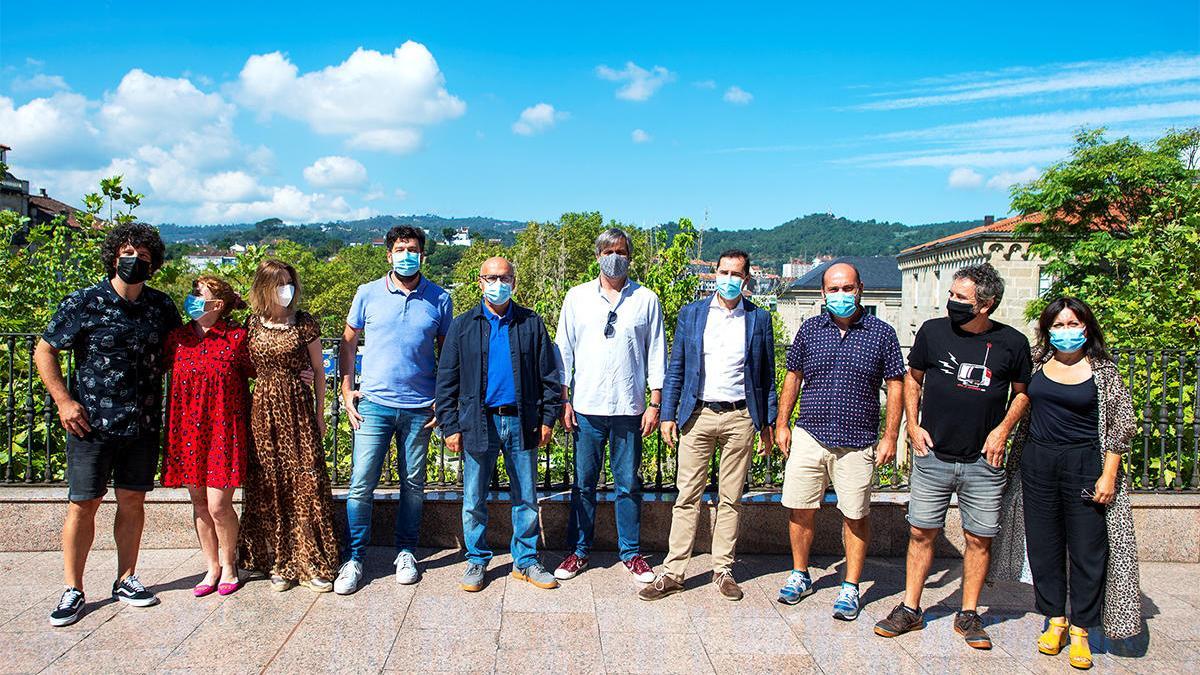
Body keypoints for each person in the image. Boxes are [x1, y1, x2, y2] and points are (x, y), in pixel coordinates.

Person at [874, 262, 1031, 650]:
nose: (952, 302)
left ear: (986, 304)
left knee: (978, 538)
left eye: (961, 298)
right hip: (933, 454)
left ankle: (969, 613)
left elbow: (1022, 393)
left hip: (984, 459)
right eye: (951, 294)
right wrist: (913, 425)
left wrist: (1002, 430)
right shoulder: (932, 332)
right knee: (920, 531)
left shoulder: (1012, 342)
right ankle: (910, 608)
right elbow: (913, 379)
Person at [36, 223, 181, 627]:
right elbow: (44, 350)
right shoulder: (85, 302)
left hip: (143, 423)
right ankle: (73, 588)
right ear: (114, 257)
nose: (135, 262)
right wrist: (64, 401)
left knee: (133, 501)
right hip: (90, 424)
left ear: (153, 264)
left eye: (144, 257)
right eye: (128, 254)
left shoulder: (161, 307)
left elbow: (180, 352)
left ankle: (126, 577)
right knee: (84, 504)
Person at [991, 297, 1142, 669]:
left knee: (1088, 551)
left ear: (1086, 327)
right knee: (1044, 547)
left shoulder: (1103, 371)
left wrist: (1109, 473)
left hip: (1084, 464)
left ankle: (1081, 630)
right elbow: (1021, 398)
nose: (1065, 333)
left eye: (1072, 324)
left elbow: (1123, 425)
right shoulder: (1039, 364)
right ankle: (1055, 619)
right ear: (1047, 331)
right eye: (1057, 326)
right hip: (1038, 462)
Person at [638, 250, 777, 601]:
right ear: (715, 273)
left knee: (731, 498)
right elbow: (677, 368)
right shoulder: (692, 314)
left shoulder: (759, 319)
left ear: (746, 280)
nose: (728, 278)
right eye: (723, 271)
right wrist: (668, 414)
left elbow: (766, 376)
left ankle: (723, 570)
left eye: (736, 273)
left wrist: (768, 422)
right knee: (687, 496)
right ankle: (673, 572)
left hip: (741, 417)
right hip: (697, 415)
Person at [772, 262, 905, 620]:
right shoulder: (810, 330)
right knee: (800, 509)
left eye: (847, 288)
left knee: (856, 514)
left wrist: (890, 435)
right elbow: (793, 377)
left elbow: (896, 384)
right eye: (834, 289)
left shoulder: (882, 333)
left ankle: (850, 586)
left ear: (860, 288)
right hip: (810, 434)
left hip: (858, 440)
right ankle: (800, 573)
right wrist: (782, 423)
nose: (841, 295)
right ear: (823, 293)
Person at [334, 226, 453, 595]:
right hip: (374, 405)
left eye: (413, 249)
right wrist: (347, 387)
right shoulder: (367, 293)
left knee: (413, 487)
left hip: (420, 408)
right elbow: (348, 342)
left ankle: (406, 552)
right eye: (400, 248)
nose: (407, 254)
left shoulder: (440, 298)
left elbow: (448, 354)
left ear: (423, 254)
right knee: (360, 485)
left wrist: (442, 398)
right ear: (388, 254)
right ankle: (354, 558)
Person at [435, 256, 562, 592]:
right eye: (491, 278)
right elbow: (446, 380)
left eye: (504, 278)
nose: (498, 284)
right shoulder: (462, 326)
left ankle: (526, 560)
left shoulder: (531, 323)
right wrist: (450, 426)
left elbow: (548, 376)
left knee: (526, 496)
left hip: (521, 421)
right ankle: (477, 560)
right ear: (480, 282)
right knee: (474, 497)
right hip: (479, 422)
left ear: (514, 282)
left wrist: (548, 418)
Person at [554, 228, 666, 583]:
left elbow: (656, 352)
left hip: (629, 408)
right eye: (608, 250)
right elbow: (563, 350)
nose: (614, 256)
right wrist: (564, 399)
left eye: (621, 251)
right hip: (586, 407)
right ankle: (579, 551)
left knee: (627, 485)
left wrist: (655, 402)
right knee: (583, 484)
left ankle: (631, 553)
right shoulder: (576, 297)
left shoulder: (646, 299)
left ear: (630, 257)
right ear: (598, 256)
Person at [238, 259, 340, 593]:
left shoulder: (304, 323)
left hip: (297, 409)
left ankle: (311, 561)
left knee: (306, 484)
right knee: (271, 484)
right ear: (264, 287)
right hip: (263, 411)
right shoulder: (252, 323)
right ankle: (278, 561)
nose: (287, 289)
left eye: (290, 282)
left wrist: (321, 412)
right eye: (279, 283)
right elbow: (246, 367)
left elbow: (320, 371)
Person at [162, 276, 252, 598]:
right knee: (199, 503)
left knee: (218, 506)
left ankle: (230, 566)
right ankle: (211, 567)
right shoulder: (178, 338)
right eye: (192, 293)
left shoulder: (237, 337)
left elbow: (267, 369)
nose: (192, 298)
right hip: (187, 430)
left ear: (218, 304)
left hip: (224, 430)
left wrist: (305, 371)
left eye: (200, 294)